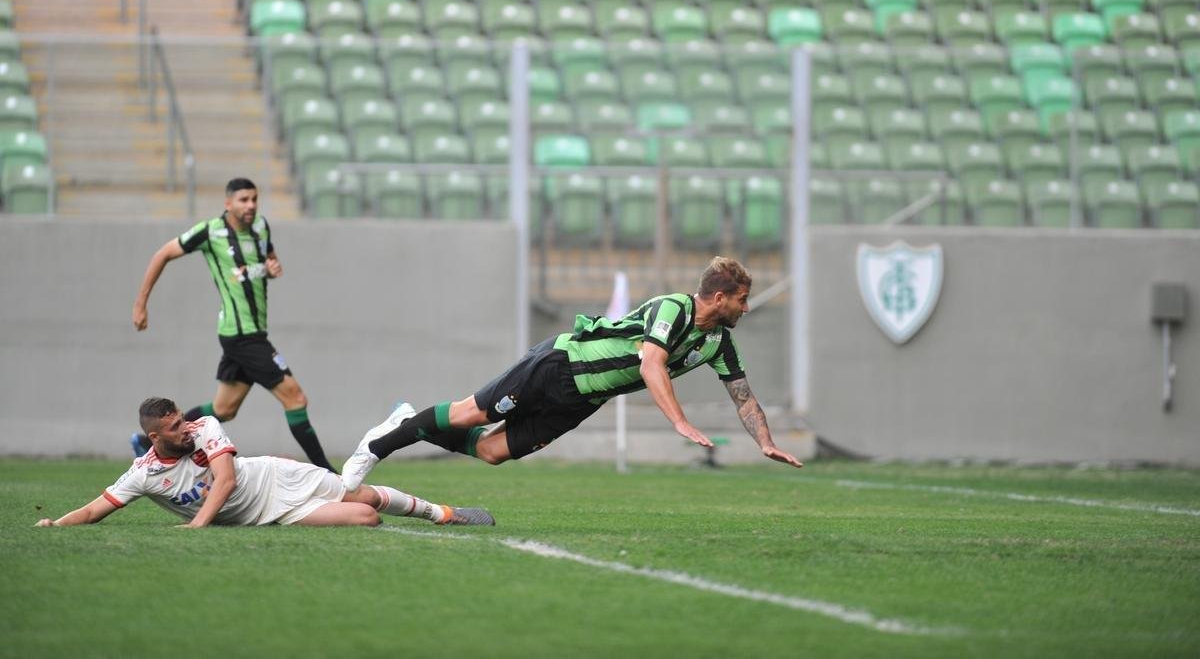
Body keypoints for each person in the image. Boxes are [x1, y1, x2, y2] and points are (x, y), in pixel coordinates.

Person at [342, 256, 803, 491]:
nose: (746, 307)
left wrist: (765, 442)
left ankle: (409, 421)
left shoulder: (718, 342)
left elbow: (743, 396)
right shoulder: (673, 308)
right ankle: (378, 448)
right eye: (742, 298)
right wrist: (679, 421)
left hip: (581, 400)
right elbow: (651, 362)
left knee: (492, 453)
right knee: (470, 415)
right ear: (720, 297)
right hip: (559, 365)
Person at [36, 397, 495, 528]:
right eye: (174, 426)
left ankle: (447, 514)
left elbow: (226, 479)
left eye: (183, 419)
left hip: (277, 477)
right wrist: (58, 524)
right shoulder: (144, 474)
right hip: (276, 514)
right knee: (366, 517)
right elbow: (98, 507)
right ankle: (384, 432)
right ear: (154, 438)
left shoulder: (205, 426)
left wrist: (198, 526)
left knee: (361, 491)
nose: (185, 426)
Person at [131, 177, 334, 471]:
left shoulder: (262, 227)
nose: (250, 205)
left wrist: (273, 267)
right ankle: (330, 474)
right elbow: (163, 254)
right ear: (228, 204)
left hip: (247, 333)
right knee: (296, 398)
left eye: (254, 199)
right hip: (243, 336)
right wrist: (141, 303)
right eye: (243, 200)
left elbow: (270, 259)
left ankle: (147, 443)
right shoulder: (211, 232)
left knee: (223, 410)